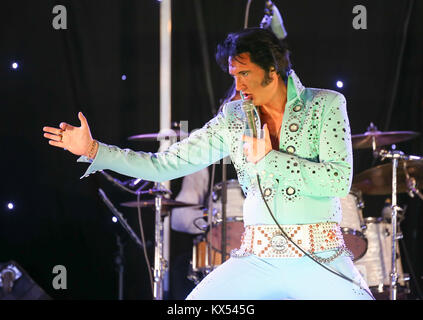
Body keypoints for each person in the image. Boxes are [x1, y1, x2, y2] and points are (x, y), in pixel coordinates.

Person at [43, 27, 374, 300]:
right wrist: (95, 150)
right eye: (234, 74)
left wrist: (270, 160)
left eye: (245, 74)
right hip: (257, 259)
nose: (238, 85)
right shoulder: (233, 118)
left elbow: (338, 180)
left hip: (320, 258)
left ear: (272, 70)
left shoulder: (325, 105)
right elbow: (165, 165)